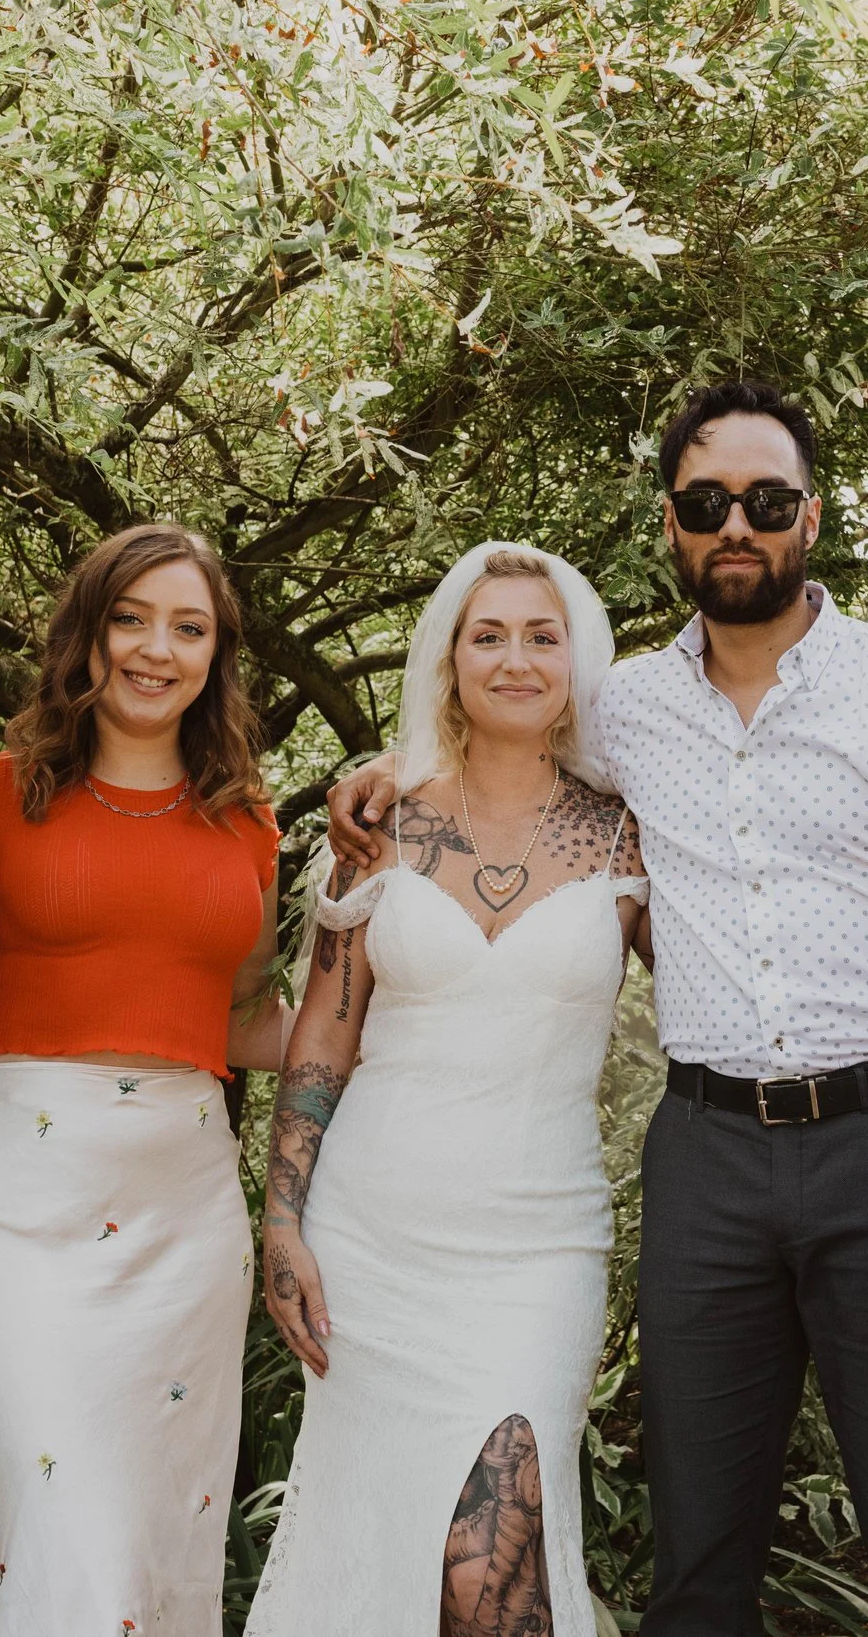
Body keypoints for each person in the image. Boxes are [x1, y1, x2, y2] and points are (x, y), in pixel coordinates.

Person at [331, 382, 868, 1636]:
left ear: (810, 514)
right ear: (671, 523)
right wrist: (381, 773)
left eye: (766, 500)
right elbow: (497, 734)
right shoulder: (622, 712)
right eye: (708, 503)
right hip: (705, 1158)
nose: (737, 526)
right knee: (696, 1553)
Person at [247, 542, 647, 1637]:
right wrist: (280, 1217)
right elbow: (327, 1026)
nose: (515, 657)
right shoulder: (378, 823)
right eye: (488, 633)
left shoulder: (628, 834)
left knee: (490, 1563)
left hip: (536, 1244)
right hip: (373, 1237)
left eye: (540, 634)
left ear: (577, 659)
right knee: (381, 1556)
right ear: (450, 657)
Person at [0, 524, 290, 1636]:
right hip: (18, 1192)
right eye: (130, 617)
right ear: (85, 635)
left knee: (157, 1520)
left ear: (216, 655)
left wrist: (420, 1019)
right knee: (58, 1501)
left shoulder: (249, 824)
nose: (155, 648)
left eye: (187, 627)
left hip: (183, 1200)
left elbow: (246, 1019)